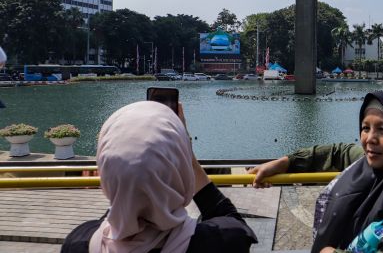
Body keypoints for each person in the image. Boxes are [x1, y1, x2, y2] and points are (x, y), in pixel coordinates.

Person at [255, 90, 383, 252]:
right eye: (366, 128)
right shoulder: (380, 161)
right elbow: (340, 152)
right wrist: (286, 162)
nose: (369, 139)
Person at [61, 101, 257, 252]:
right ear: (181, 165)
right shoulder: (222, 242)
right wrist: (188, 154)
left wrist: (126, 173)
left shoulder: (78, 243)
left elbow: (124, 194)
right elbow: (230, 219)